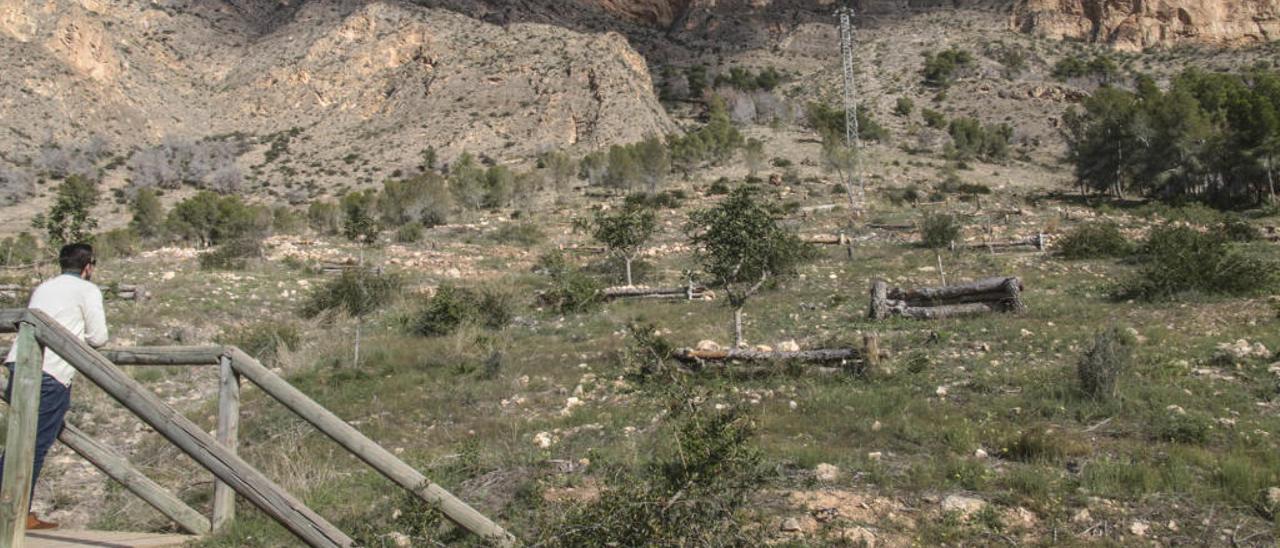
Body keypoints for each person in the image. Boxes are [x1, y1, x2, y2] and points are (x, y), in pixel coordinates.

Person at [0, 243, 107, 530]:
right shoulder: (88, 290)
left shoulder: (44, 287)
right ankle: (14, 515)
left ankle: (13, 512)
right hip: (51, 372)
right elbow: (99, 337)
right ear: (88, 267)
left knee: (17, 442)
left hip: (17, 364)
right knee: (33, 446)